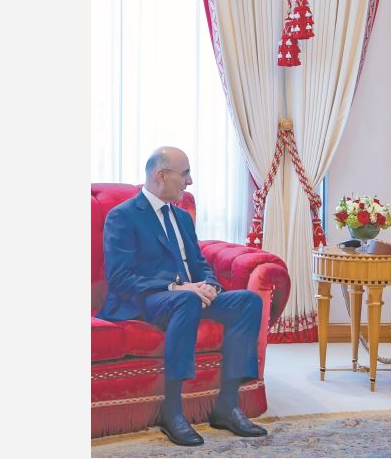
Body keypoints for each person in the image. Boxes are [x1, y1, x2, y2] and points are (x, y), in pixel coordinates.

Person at [96, 146, 267, 445]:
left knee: (247, 301)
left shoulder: (182, 217)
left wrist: (210, 285)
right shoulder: (122, 216)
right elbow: (121, 278)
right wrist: (177, 287)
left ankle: (228, 406)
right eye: (185, 173)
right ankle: (173, 412)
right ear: (161, 175)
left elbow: (199, 263)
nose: (190, 181)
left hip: (188, 297)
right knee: (186, 300)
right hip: (146, 300)